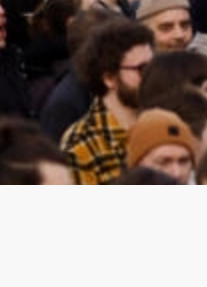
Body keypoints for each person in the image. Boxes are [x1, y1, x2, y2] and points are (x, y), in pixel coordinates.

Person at [61, 17, 155, 185]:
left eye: (154, 66)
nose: (152, 76)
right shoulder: (82, 143)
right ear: (109, 78)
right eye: (142, 69)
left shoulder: (167, 119)